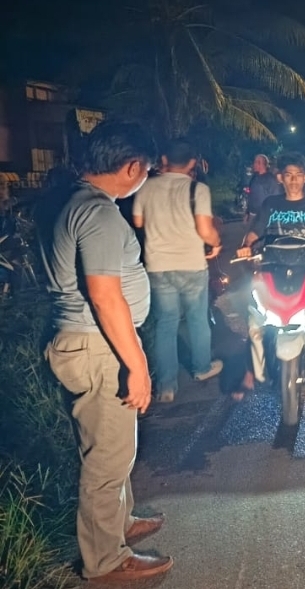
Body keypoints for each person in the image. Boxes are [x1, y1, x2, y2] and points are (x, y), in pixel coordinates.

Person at [38, 120, 174, 582]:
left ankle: (120, 524)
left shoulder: (74, 201)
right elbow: (104, 295)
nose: (144, 179)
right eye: (145, 171)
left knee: (112, 449)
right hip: (99, 347)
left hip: (86, 343)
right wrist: (136, 366)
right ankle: (105, 562)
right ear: (132, 166)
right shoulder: (97, 214)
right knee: (107, 460)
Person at [236, 151, 305, 373]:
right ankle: (260, 347)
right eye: (288, 175)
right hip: (273, 265)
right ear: (281, 178)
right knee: (258, 306)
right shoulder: (270, 204)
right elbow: (254, 233)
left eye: (298, 175)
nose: (294, 180)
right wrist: (246, 246)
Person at [133, 139, 224, 404]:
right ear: (192, 163)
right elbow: (205, 230)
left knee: (166, 323)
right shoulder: (198, 189)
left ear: (163, 160)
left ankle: (166, 386)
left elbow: (138, 220)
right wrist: (216, 243)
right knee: (197, 319)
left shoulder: (146, 187)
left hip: (158, 266)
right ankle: (202, 368)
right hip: (191, 264)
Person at [246, 154, 282, 225]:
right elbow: (250, 196)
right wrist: (247, 213)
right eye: (255, 162)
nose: (254, 164)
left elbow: (275, 198)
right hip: (252, 214)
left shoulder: (270, 180)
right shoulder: (254, 177)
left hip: (265, 216)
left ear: (262, 164)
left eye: (256, 162)